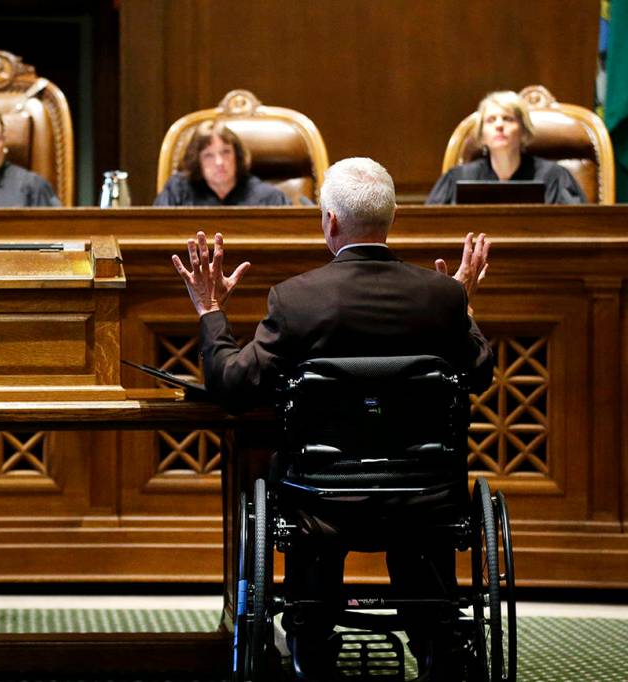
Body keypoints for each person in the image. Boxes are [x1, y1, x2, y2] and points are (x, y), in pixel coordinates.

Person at [172, 157, 493, 681]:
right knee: (420, 493)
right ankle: (437, 639)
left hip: (320, 503)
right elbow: (479, 373)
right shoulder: (442, 297)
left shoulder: (297, 299)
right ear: (392, 218)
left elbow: (232, 386)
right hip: (425, 498)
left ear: (330, 220)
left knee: (296, 476)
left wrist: (210, 312)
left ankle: (311, 637)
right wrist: (465, 311)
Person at [427, 90, 585, 204]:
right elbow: (432, 229)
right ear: (481, 136)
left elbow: (578, 227)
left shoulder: (555, 177)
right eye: (491, 120)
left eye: (508, 119)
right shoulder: (457, 178)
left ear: (524, 131)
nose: (499, 125)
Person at [154, 121, 291, 206]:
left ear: (237, 155)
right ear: (197, 161)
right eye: (209, 155)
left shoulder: (269, 197)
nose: (219, 162)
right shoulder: (177, 191)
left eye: (225, 152)